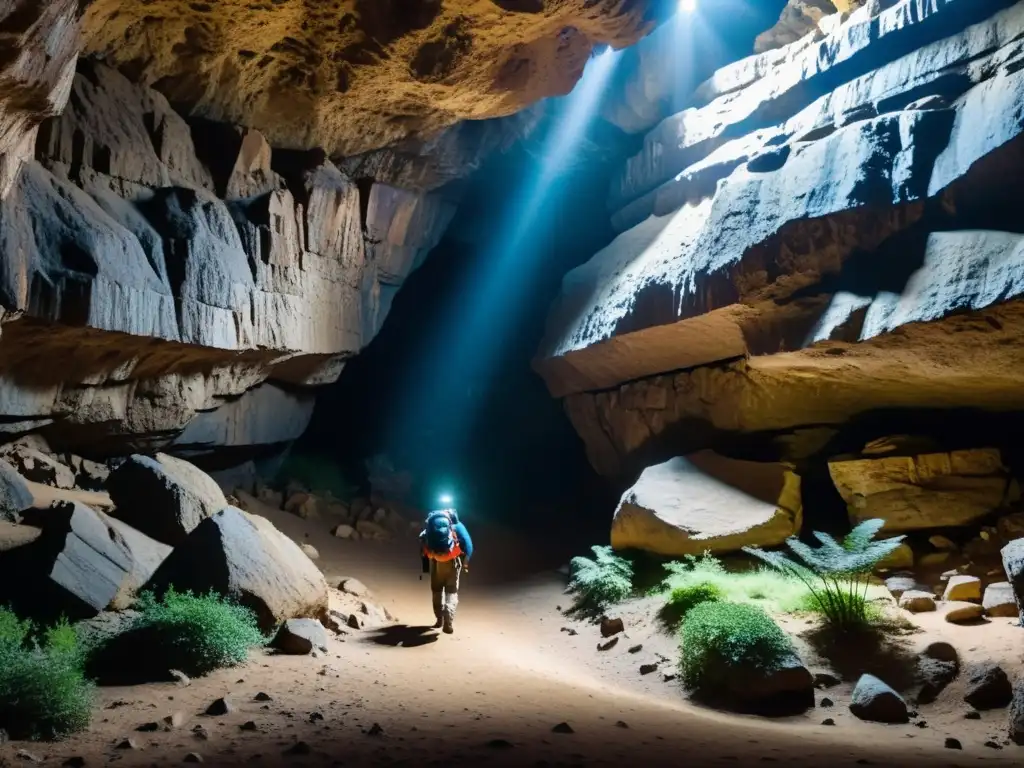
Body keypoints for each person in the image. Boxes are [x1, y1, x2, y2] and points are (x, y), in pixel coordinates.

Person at [419, 507, 473, 634]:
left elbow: (422, 543)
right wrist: (465, 564)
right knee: (451, 592)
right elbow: (469, 545)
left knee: (437, 591)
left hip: (435, 562)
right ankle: (448, 620)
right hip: (452, 563)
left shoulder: (430, 525)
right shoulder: (457, 525)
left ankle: (439, 619)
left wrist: (426, 568)